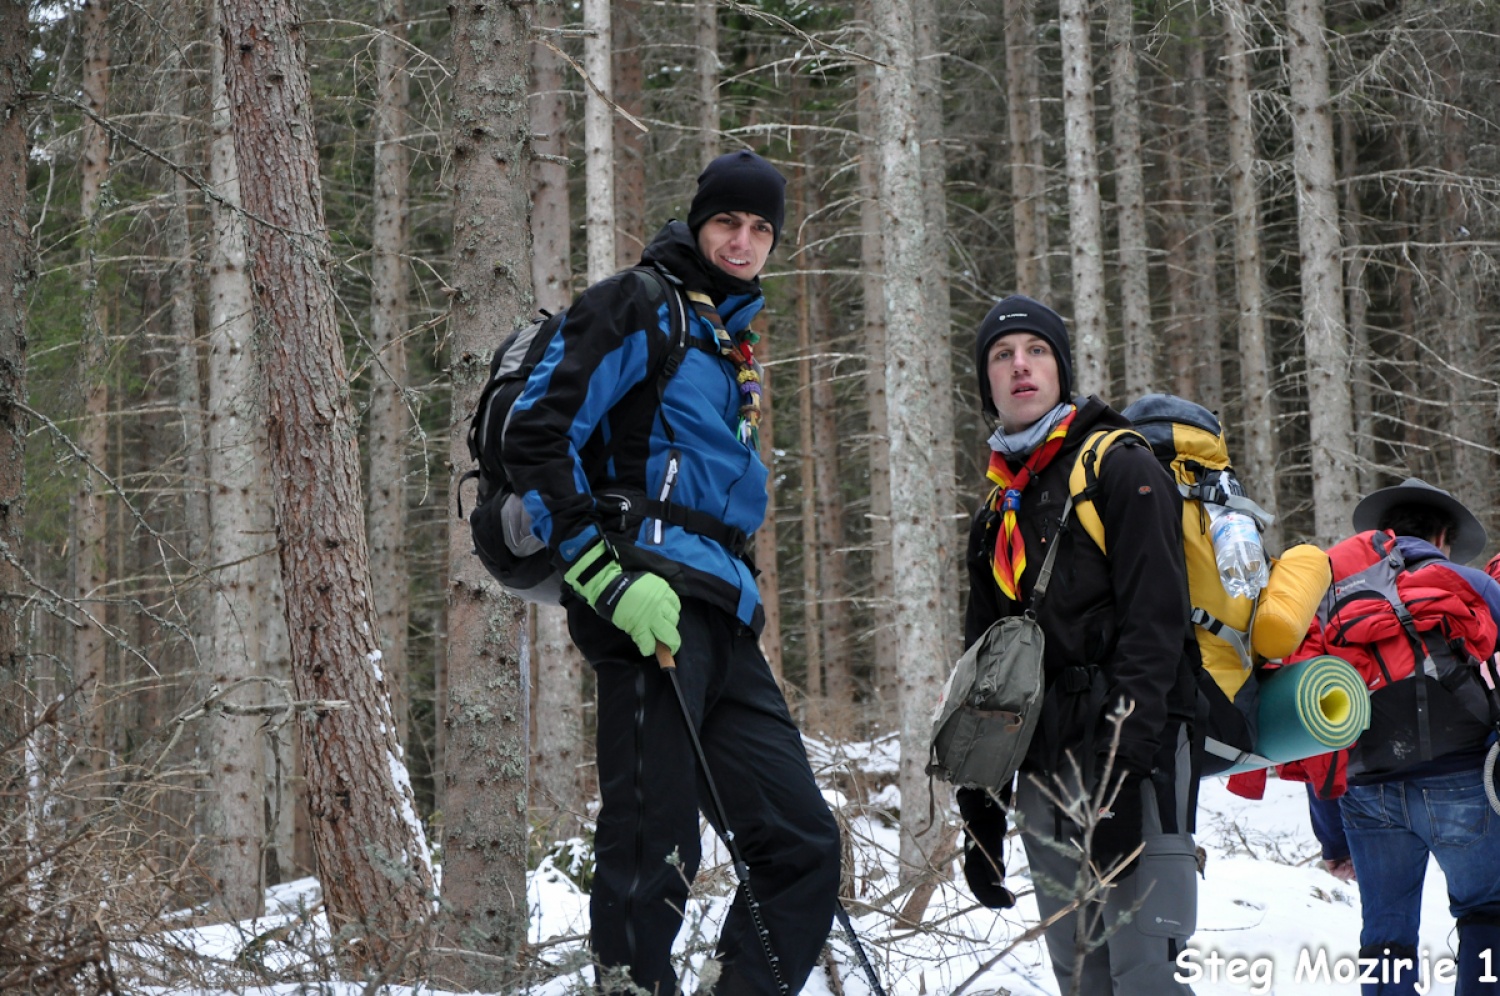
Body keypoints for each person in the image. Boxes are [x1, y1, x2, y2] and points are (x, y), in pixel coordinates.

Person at [503, 150, 840, 996]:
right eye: (729, 221)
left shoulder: (730, 345)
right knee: (656, 841)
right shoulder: (639, 305)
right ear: (698, 223)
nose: (744, 240)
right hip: (642, 594)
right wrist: (606, 579)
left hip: (722, 613)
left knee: (800, 844)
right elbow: (538, 437)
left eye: (762, 228)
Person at [956, 294, 1200, 995]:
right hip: (1043, 767)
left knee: (1147, 974)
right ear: (987, 383)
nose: (1020, 366)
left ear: (1061, 369)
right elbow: (987, 666)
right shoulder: (998, 512)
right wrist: (981, 809)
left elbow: (1159, 627)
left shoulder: (1122, 469)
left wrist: (1123, 769)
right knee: (1082, 978)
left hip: (1137, 755)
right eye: (1002, 356)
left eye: (1036, 351)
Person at [1299, 479, 1500, 996]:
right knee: (1488, 913)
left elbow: (1318, 726)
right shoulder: (1468, 584)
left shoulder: (1331, 597)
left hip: (1367, 791)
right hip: (1465, 781)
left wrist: (1332, 839)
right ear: (1442, 536)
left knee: (1385, 936)